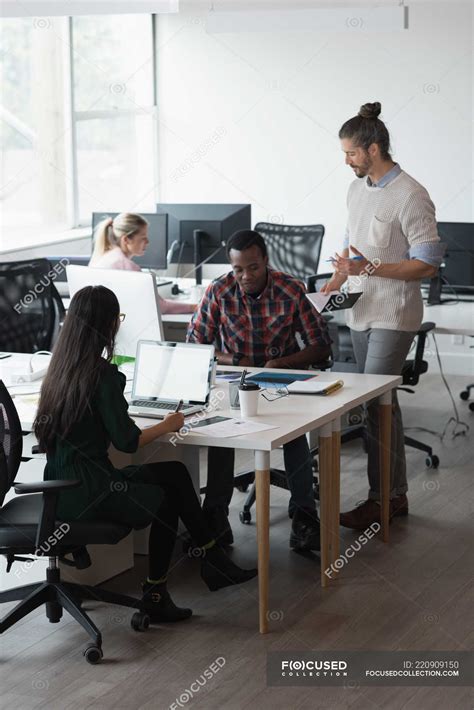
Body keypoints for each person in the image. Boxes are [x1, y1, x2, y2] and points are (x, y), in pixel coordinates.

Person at [34, 285, 257, 623]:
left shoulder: (58, 370)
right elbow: (127, 442)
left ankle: (212, 560)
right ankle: (158, 591)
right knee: (167, 496)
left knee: (174, 474)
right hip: (91, 491)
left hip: (59, 488)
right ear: (108, 325)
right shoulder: (104, 375)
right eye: (118, 318)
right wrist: (169, 424)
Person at [322, 101, 444, 530]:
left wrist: (370, 269)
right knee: (380, 404)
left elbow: (427, 264)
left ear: (373, 149)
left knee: (375, 401)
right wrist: (338, 279)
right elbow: (354, 246)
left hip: (395, 312)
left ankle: (382, 499)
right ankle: (394, 496)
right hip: (360, 309)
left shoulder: (411, 194)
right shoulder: (357, 189)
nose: (346, 161)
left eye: (351, 153)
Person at [186, 229, 331, 552]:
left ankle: (304, 516)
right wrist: (235, 358)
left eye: (253, 267)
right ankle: (216, 518)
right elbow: (195, 344)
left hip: (283, 378)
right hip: (235, 377)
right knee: (221, 432)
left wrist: (283, 363)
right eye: (238, 269)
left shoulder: (290, 288)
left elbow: (320, 347)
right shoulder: (219, 290)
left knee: (295, 435)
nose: (246, 276)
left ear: (265, 261)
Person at [89, 213, 195, 315]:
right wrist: (193, 307)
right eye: (143, 237)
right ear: (126, 239)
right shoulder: (127, 267)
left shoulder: (102, 258)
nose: (148, 241)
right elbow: (160, 306)